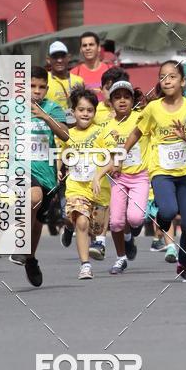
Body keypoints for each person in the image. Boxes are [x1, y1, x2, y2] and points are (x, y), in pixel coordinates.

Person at [122, 60, 186, 282]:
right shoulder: (153, 108)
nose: (167, 80)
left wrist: (185, 137)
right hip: (161, 171)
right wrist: (120, 154)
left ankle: (184, 263)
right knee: (168, 211)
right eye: (163, 77)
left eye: (172, 76)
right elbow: (136, 133)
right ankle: (161, 217)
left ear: (183, 81)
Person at [94, 80, 150, 275]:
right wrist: (99, 175)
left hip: (140, 177)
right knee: (116, 222)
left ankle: (132, 231)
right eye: (117, 97)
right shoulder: (105, 128)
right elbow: (104, 157)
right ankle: (121, 258)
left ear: (132, 99)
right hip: (118, 179)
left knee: (134, 218)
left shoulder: (141, 118)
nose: (122, 101)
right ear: (110, 101)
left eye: (126, 97)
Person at [20, 66, 69, 286]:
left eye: (41, 87)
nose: (36, 91)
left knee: (38, 217)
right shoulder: (14, 108)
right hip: (20, 167)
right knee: (32, 198)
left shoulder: (53, 108)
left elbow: (65, 134)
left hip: (46, 170)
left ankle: (30, 258)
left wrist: (45, 116)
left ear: (47, 88)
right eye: (32, 86)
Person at [59, 87, 109, 280]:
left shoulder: (102, 133)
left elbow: (114, 158)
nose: (85, 113)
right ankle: (85, 265)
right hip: (76, 187)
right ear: (73, 111)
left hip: (99, 189)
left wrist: (98, 175)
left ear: (95, 112)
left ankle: (72, 228)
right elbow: (61, 153)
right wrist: (58, 168)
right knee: (81, 222)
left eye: (89, 110)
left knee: (95, 229)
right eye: (81, 109)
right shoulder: (68, 134)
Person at [46, 41, 81, 117]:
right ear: (48, 59)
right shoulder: (43, 79)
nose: (59, 60)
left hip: (74, 125)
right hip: (51, 125)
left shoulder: (78, 81)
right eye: (55, 57)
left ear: (69, 58)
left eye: (62, 56)